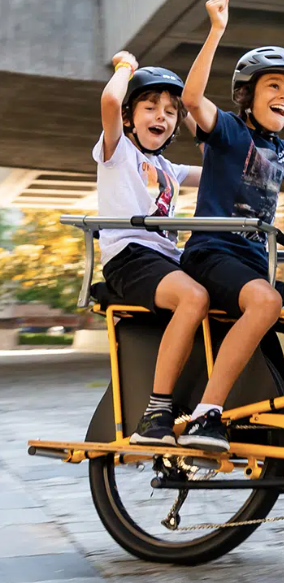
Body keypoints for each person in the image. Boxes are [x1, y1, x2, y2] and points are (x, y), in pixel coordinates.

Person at [179, 0, 284, 452]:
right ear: (247, 93)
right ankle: (205, 414)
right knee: (266, 302)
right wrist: (216, 30)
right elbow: (191, 98)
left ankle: (280, 418)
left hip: (256, 266)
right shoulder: (230, 133)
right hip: (212, 256)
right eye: (275, 86)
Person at [95, 54, 208, 447]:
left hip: (165, 260)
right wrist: (125, 67)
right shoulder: (117, 153)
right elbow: (110, 103)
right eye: (150, 107)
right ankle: (156, 409)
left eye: (170, 111)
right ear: (129, 118)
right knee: (194, 297)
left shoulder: (170, 169)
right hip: (128, 256)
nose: (161, 115)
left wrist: (189, 110)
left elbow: (218, 163)